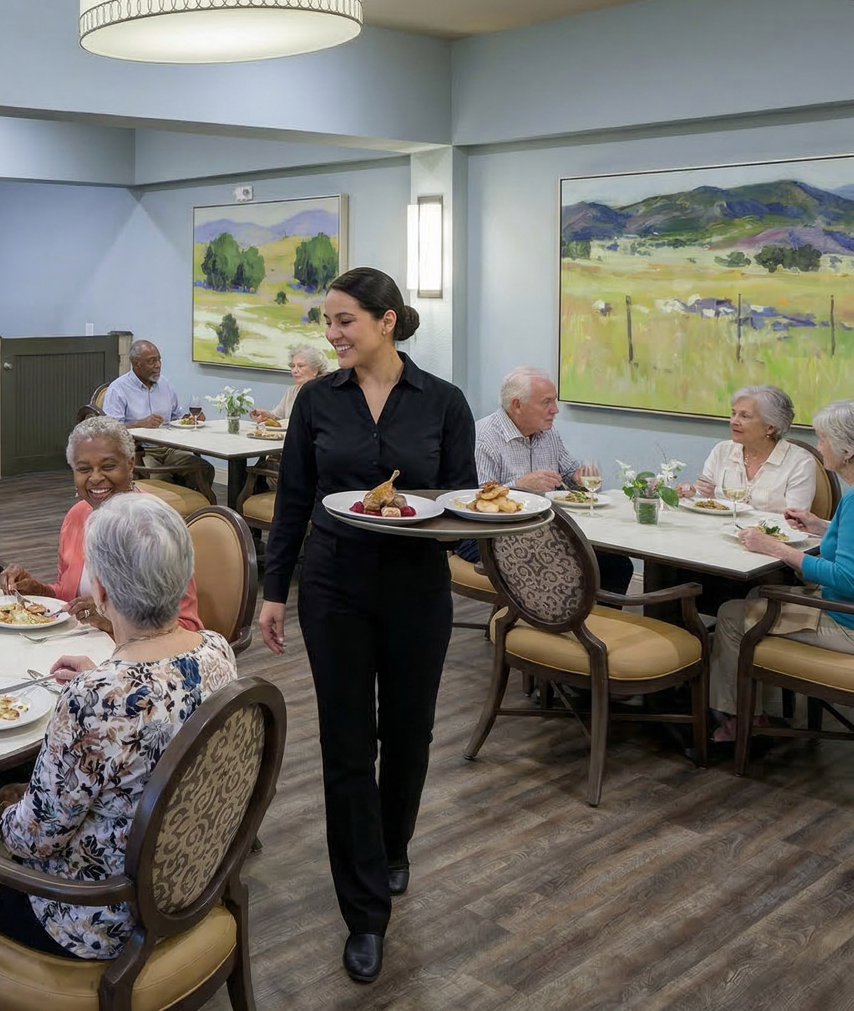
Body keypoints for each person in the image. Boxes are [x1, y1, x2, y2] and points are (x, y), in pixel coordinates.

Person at [257, 266, 476, 984]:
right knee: (348, 746)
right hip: (333, 583)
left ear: (387, 320)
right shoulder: (317, 400)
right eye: (327, 321)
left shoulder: (443, 402)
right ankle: (365, 911)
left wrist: (496, 525)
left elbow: (461, 501)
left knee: (409, 733)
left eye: (344, 320)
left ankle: (393, 843)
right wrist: (273, 590)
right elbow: (293, 497)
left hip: (417, 588)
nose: (331, 334)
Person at [0, 493, 237, 959]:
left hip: (96, 919)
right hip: (189, 884)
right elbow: (155, 697)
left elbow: (34, 840)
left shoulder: (95, 700)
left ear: (99, 591)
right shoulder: (217, 652)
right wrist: (102, 677)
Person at [709, 400, 854, 746]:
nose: (819, 448)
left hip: (845, 622)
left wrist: (777, 550)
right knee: (756, 597)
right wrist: (821, 526)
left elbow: (847, 578)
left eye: (823, 439)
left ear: (846, 449)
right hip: (840, 609)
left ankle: (741, 722)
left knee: (730, 614)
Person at [0, 415, 202, 634]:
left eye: (108, 466)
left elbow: (187, 627)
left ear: (130, 465)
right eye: (84, 469)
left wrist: (109, 623)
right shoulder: (77, 516)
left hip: (136, 661)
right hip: (81, 645)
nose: (95, 478)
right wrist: (39, 591)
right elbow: (72, 597)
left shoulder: (155, 526)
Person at [456, 367, 633, 595]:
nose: (555, 410)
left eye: (555, 401)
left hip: (541, 529)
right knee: (564, 562)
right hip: (487, 536)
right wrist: (520, 485)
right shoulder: (483, 436)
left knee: (616, 563)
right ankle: (538, 624)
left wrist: (581, 477)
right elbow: (475, 501)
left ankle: (597, 625)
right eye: (547, 402)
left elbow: (571, 475)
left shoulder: (548, 433)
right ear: (517, 405)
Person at [677, 385, 818, 515]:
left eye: (744, 416)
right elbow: (704, 495)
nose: (734, 421)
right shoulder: (722, 451)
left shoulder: (800, 462)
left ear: (770, 427)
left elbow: (796, 519)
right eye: (733, 413)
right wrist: (691, 492)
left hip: (770, 538)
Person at [100, 339, 213, 495]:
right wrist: (140, 423)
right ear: (136, 363)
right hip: (141, 451)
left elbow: (176, 417)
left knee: (204, 469)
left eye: (159, 359)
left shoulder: (165, 384)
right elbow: (110, 430)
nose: (158, 365)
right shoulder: (118, 389)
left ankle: (196, 513)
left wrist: (190, 419)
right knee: (160, 479)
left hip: (170, 448)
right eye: (152, 361)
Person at [250, 343, 329, 422]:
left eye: (300, 366)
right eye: (292, 366)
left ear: (315, 370)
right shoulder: (291, 391)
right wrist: (266, 415)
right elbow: (277, 416)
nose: (294, 371)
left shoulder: (323, 393)